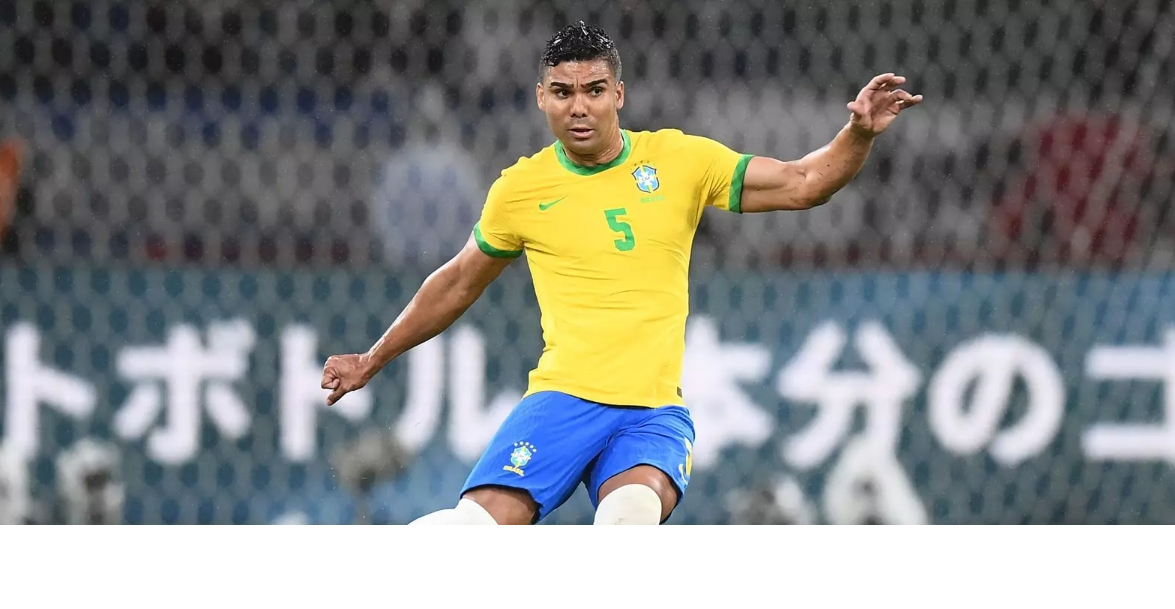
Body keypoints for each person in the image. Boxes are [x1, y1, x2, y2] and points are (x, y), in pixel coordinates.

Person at [321, 22, 922, 525]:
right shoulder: (521, 189)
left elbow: (804, 182)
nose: (579, 107)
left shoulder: (680, 160)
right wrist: (372, 358)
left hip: (649, 414)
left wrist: (857, 134)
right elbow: (457, 281)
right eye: (563, 92)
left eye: (594, 90)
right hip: (560, 402)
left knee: (627, 517)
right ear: (541, 97)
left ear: (619, 94)